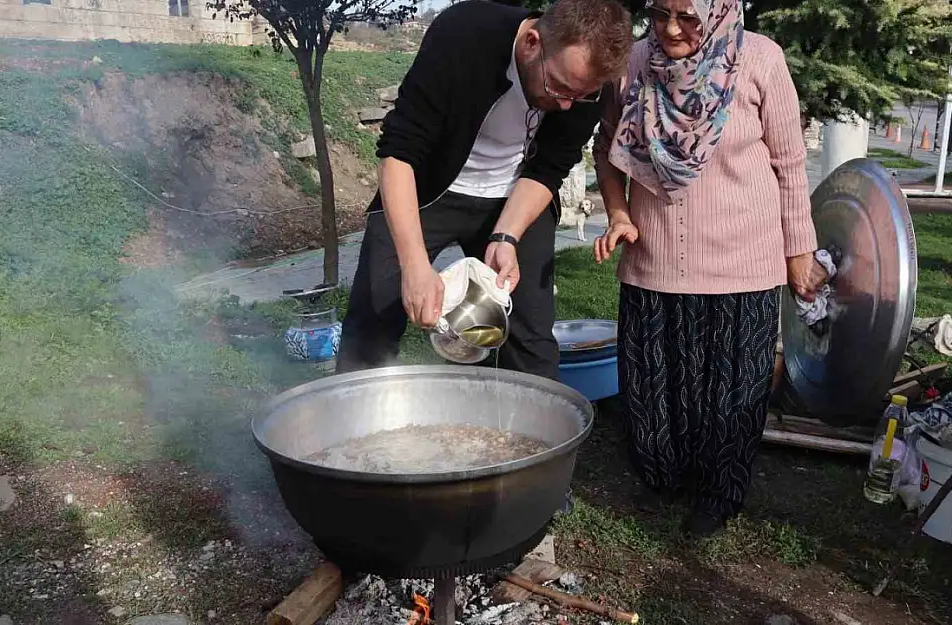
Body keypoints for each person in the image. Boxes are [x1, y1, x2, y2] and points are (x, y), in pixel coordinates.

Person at [592, 0, 823, 537]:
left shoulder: (760, 59)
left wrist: (799, 254)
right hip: (654, 262)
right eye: (660, 12)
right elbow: (607, 150)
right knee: (655, 390)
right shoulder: (633, 65)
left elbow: (790, 166)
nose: (671, 28)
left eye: (688, 17)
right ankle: (661, 478)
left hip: (742, 263)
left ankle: (718, 497)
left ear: (717, 11)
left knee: (731, 392)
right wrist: (619, 213)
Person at [336, 0, 634, 381]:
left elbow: (549, 169)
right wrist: (413, 265)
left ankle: (535, 436)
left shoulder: (585, 87)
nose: (564, 105)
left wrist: (506, 236)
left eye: (578, 95)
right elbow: (399, 154)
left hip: (515, 197)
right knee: (371, 324)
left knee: (531, 336)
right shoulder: (463, 34)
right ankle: (358, 429)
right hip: (428, 191)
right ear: (532, 42)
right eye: (558, 86)